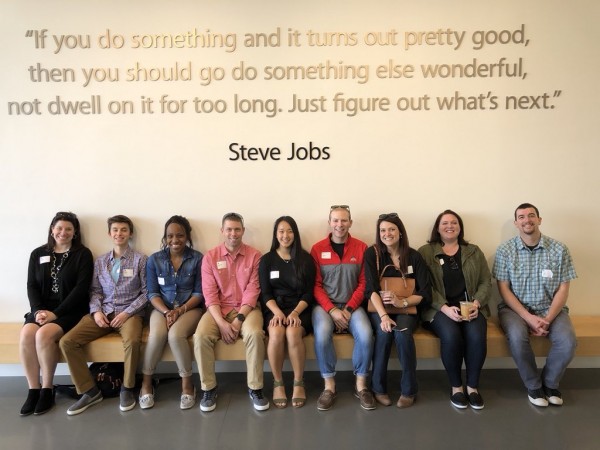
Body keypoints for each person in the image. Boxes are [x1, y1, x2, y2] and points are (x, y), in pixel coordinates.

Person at [60, 215, 148, 415]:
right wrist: (96, 311)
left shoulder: (141, 260)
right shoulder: (100, 261)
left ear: (130, 233)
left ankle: (127, 387)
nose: (119, 233)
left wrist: (127, 313)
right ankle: (89, 391)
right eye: (115, 230)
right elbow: (95, 291)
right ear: (109, 234)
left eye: (124, 230)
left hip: (130, 313)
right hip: (104, 312)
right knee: (67, 342)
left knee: (133, 341)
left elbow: (146, 293)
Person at [492, 203, 577, 407]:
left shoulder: (559, 249)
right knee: (517, 337)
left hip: (551, 310)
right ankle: (534, 385)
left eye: (531, 216)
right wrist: (529, 318)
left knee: (568, 342)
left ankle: (550, 384)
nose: (526, 220)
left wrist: (547, 319)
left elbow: (563, 289)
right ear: (516, 223)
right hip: (514, 310)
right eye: (521, 217)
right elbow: (504, 289)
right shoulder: (505, 250)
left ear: (539, 220)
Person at [19, 212, 94, 416]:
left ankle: (47, 388)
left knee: (43, 335)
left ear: (75, 232)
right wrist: (37, 312)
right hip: (41, 310)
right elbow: (31, 285)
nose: (63, 232)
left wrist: (55, 314)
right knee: (26, 334)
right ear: (52, 229)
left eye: (68, 229)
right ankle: (33, 389)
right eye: (59, 228)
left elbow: (81, 289)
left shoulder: (82, 254)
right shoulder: (38, 253)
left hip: (70, 311)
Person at [194, 212, 268, 412]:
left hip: (247, 308)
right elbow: (209, 294)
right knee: (200, 336)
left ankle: (255, 388)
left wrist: (238, 321)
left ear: (243, 231)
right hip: (218, 308)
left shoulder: (255, 256)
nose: (233, 233)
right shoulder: (210, 257)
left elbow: (253, 291)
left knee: (254, 333)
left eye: (237, 229)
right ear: (222, 231)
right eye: (229, 229)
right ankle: (209, 388)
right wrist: (221, 323)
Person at [419, 210, 490, 409]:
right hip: (439, 310)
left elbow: (486, 282)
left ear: (460, 227)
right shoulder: (425, 252)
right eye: (444, 223)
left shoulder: (474, 251)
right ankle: (457, 387)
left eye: (454, 223)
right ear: (437, 228)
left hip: (471, 308)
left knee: (476, 336)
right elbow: (424, 287)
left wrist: (477, 303)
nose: (450, 226)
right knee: (451, 336)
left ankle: (473, 387)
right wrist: (444, 308)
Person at [311, 205, 374, 411]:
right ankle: (329, 386)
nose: (340, 225)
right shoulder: (317, 249)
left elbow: (364, 283)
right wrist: (332, 310)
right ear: (329, 222)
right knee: (321, 334)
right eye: (336, 220)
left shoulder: (362, 248)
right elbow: (316, 285)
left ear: (350, 223)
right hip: (325, 306)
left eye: (344, 220)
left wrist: (347, 309)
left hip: (352, 306)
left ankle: (361, 385)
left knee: (365, 335)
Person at [365, 213, 431, 409]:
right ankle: (378, 388)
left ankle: (409, 390)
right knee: (384, 334)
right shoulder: (373, 254)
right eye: (383, 230)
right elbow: (370, 290)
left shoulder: (414, 256)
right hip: (379, 309)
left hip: (406, 309)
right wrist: (384, 316)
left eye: (392, 229)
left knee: (402, 335)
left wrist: (401, 302)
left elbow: (424, 292)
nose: (387, 234)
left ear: (400, 232)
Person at [139, 216, 204, 410]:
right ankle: (146, 383)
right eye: (170, 236)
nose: (174, 240)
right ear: (165, 237)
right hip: (162, 309)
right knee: (157, 335)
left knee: (176, 336)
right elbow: (152, 293)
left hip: (189, 308)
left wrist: (180, 310)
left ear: (187, 236)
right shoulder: (155, 260)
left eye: (179, 235)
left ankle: (187, 385)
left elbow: (199, 293)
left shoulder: (198, 258)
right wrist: (168, 311)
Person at [259, 216, 316, 408]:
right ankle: (278, 382)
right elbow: (265, 293)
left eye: (289, 231)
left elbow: (309, 293)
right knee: (276, 333)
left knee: (292, 333)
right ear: (276, 234)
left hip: (300, 308)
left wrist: (295, 313)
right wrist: (277, 313)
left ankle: (299, 382)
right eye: (281, 231)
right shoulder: (266, 260)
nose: (286, 235)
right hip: (274, 309)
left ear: (295, 233)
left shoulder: (305, 259)